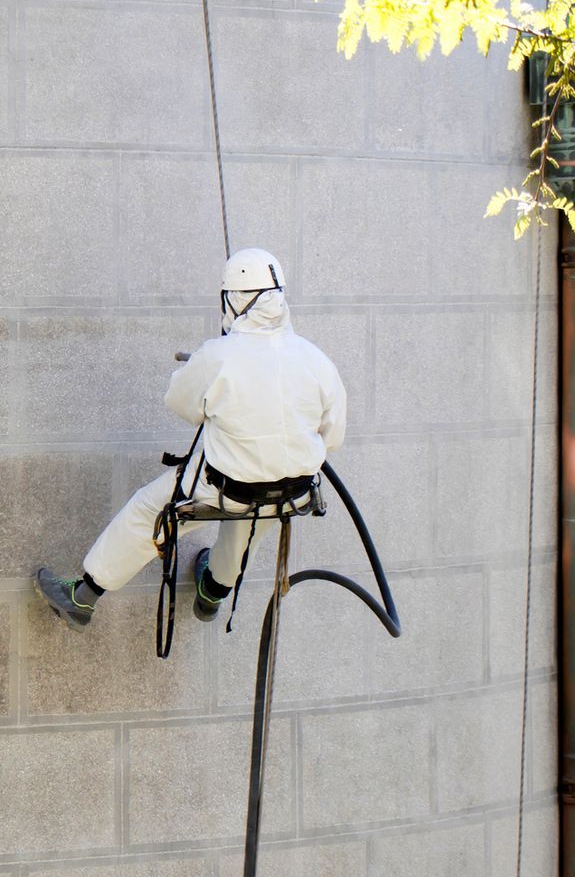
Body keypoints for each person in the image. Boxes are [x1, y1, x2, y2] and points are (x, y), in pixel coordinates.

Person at [35, 248, 346, 627]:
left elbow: (183, 405)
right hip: (291, 492)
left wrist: (206, 367)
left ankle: (82, 598)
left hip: (227, 490)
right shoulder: (317, 359)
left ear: (232, 298)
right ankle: (211, 595)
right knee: (253, 517)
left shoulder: (219, 356)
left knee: (149, 511)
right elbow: (333, 437)